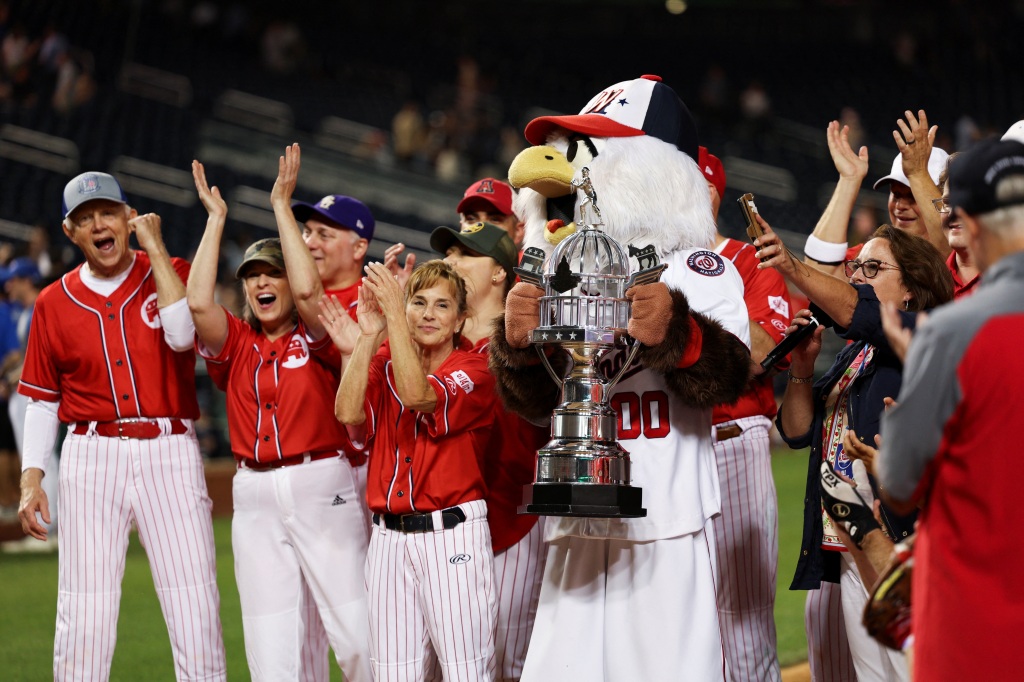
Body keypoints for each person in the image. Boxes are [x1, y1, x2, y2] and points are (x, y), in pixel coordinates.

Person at [16, 171, 226, 680]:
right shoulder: (52, 302)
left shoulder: (170, 271)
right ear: (71, 233)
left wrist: (155, 252)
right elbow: (42, 401)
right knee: (84, 616)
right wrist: (31, 478)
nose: (98, 225)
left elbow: (181, 338)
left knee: (194, 605)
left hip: (169, 449)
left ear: (128, 217)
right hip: (91, 455)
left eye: (107, 212)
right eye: (85, 219)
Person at [189, 147, 371, 682]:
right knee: (271, 654)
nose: (262, 283)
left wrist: (282, 209)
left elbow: (311, 287)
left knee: (359, 639)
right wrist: (216, 220)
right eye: (252, 276)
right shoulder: (239, 342)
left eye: (274, 273)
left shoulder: (317, 334)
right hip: (254, 497)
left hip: (322, 482)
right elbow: (199, 304)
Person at [755, 218, 953, 682]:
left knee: (914, 670)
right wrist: (801, 368)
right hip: (849, 544)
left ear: (910, 289)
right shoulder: (855, 353)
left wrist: (791, 266)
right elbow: (798, 431)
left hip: (901, 541)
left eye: (874, 267)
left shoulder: (923, 334)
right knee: (874, 675)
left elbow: (858, 310)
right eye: (856, 266)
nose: (858, 276)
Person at [878, 138, 1024, 681]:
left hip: (973, 621)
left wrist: (921, 383)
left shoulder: (950, 332)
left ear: (972, 222)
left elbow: (897, 482)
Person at [327, 258, 499, 681]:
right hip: (387, 541)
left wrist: (394, 322)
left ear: (460, 320)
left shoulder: (475, 368)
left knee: (466, 672)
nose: (428, 314)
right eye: (418, 302)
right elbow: (346, 411)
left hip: (452, 536)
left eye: (442, 306)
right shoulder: (385, 359)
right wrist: (369, 336)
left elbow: (418, 395)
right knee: (392, 674)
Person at [430, 221, 548, 681]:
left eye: (465, 254)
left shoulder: (526, 339)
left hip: (513, 521)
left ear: (500, 273)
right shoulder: (438, 342)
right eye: (449, 253)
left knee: (509, 664)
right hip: (447, 527)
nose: (451, 262)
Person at [701, 146, 791, 681]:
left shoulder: (748, 258)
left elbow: (757, 352)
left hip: (734, 442)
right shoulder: (651, 265)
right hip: (670, 445)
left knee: (743, 620)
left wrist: (681, 345)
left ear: (708, 191)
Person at [289, 182, 376, 678]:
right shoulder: (297, 298)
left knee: (364, 620)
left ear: (359, 246)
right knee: (307, 623)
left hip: (365, 470)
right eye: (308, 231)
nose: (311, 241)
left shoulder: (372, 299)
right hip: (321, 474)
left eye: (325, 233)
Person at [803, 112, 949, 277]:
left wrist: (918, 174)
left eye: (913, 196)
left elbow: (947, 249)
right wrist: (848, 181)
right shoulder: (872, 254)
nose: (900, 205)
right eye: (896, 194)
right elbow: (817, 274)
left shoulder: (963, 259)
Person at [0, 257, 55, 553]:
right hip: (23, 393)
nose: (9, 284)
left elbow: (42, 358)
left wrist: (15, 377)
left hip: (38, 396)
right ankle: (48, 525)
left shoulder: (40, 309)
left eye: (14, 279)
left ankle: (52, 524)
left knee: (44, 462)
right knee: (32, 461)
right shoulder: (23, 312)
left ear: (27, 280)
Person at [384, 177, 526, 289]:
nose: (481, 227)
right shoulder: (438, 287)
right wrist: (402, 299)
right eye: (471, 219)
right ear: (461, 227)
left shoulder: (534, 285)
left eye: (495, 219)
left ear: (519, 231)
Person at [933, 155, 980, 298]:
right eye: (947, 202)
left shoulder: (1013, 280)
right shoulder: (930, 283)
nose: (953, 212)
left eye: (964, 202)